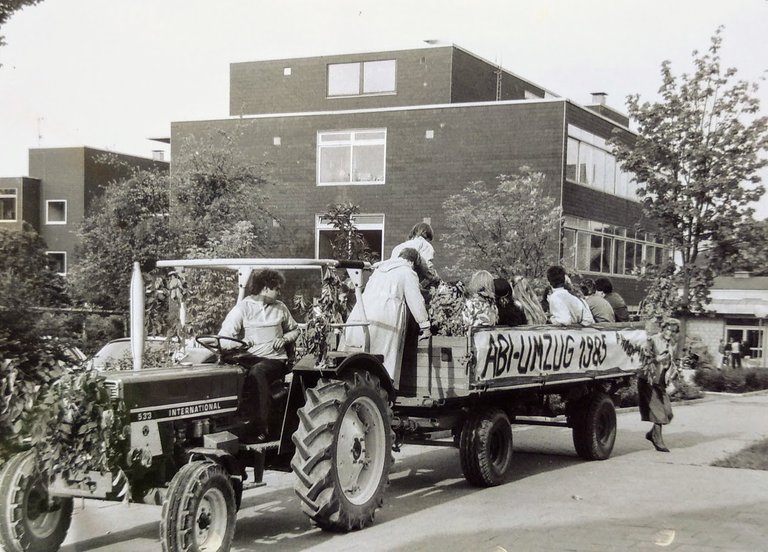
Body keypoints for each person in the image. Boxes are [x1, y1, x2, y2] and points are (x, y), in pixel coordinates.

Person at [219, 269, 300, 442]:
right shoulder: (243, 308)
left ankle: (262, 428)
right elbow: (224, 340)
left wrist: (285, 338)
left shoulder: (280, 308)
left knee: (258, 372)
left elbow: (295, 329)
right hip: (250, 358)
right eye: (276, 289)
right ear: (265, 288)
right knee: (226, 369)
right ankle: (230, 421)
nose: (279, 292)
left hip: (275, 360)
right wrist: (241, 343)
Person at [344, 248, 431, 381]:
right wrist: (425, 326)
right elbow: (415, 300)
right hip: (385, 318)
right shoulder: (407, 272)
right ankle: (382, 391)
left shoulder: (379, 270)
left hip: (361, 314)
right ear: (412, 262)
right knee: (381, 363)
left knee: (356, 362)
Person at [638, 318, 680, 452]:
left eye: (673, 331)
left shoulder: (671, 344)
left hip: (661, 382)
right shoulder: (652, 340)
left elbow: (671, 362)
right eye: (668, 329)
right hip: (648, 381)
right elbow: (643, 360)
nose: (670, 333)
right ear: (662, 329)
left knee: (668, 413)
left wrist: (673, 373)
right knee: (659, 413)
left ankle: (651, 434)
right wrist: (656, 359)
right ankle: (657, 439)